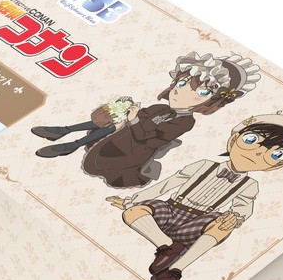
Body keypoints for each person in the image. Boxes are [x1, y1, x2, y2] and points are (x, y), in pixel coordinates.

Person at [107, 113, 283, 280]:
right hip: (171, 210)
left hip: (198, 223)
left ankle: (175, 271)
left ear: (277, 166)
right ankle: (166, 246)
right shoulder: (204, 165)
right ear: (233, 140)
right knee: (133, 212)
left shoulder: (249, 185)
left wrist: (235, 217)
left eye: (275, 154)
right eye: (251, 140)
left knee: (223, 224)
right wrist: (132, 200)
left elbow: (244, 206)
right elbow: (169, 183)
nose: (257, 153)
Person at [31, 52, 260, 188]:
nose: (181, 92)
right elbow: (139, 118)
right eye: (181, 83)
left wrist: (132, 121)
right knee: (116, 118)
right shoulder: (161, 107)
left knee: (117, 131)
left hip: (131, 152)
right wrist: (127, 109)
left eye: (201, 92)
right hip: (122, 138)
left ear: (213, 102)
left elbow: (150, 141)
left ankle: (70, 142)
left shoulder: (185, 122)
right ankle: (65, 133)